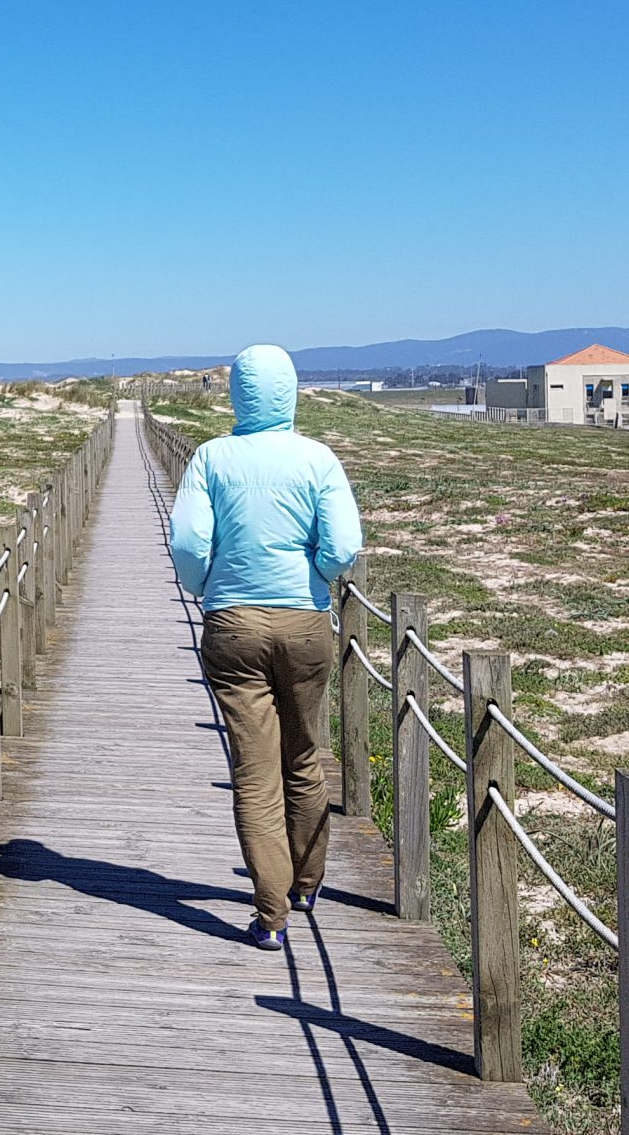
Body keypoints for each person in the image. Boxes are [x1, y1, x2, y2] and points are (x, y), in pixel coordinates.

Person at [165, 344, 362, 951]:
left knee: (254, 773)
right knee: (302, 756)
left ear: (236, 394)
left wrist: (208, 590)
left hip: (233, 625)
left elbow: (190, 543)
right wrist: (317, 575)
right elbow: (344, 544)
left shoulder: (211, 457)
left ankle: (270, 913)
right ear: (292, 391)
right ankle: (307, 884)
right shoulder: (318, 459)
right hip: (304, 624)